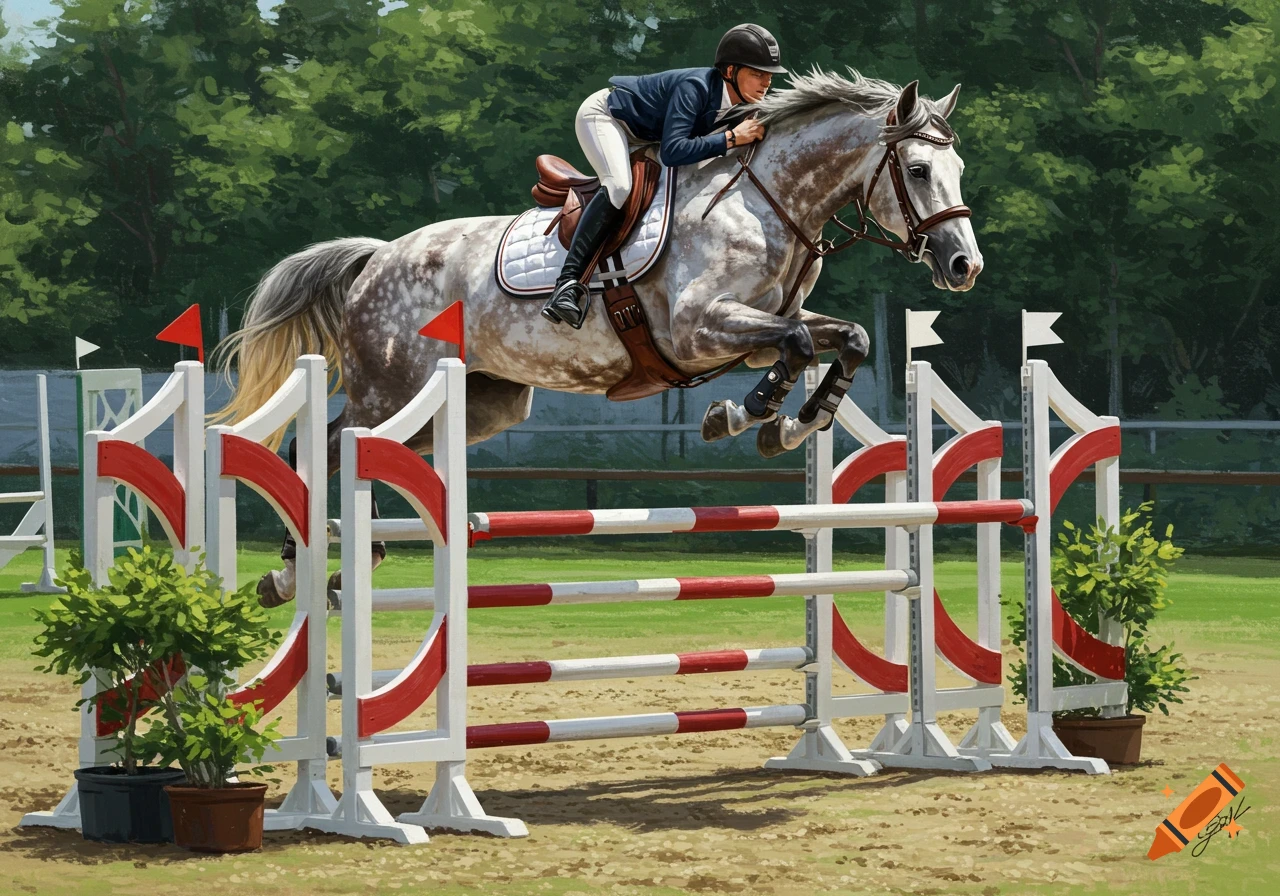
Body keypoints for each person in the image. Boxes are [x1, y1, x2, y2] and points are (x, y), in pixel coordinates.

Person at [541, 23, 787, 329]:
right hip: (607, 117)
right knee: (618, 187)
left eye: (769, 75)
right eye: (757, 73)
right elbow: (673, 151)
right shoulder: (695, 87)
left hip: (649, 135)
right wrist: (731, 139)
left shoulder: (745, 104)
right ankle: (566, 284)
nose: (766, 82)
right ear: (730, 72)